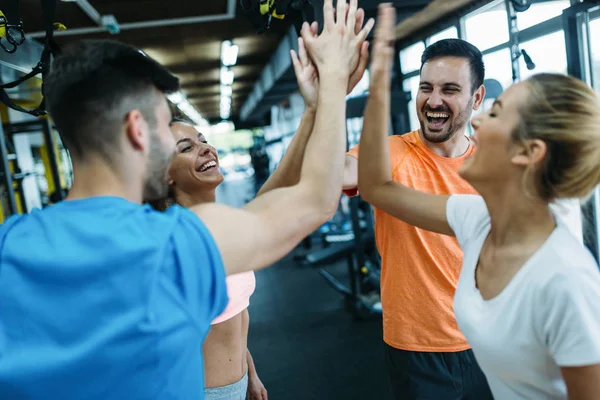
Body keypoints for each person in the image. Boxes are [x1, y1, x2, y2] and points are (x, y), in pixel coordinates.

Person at [0, 1, 374, 398]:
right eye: (166, 126)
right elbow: (314, 201)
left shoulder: (11, 242)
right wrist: (332, 82)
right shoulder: (173, 242)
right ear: (137, 131)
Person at [359, 4, 600, 399]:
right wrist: (377, 79)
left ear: (528, 153)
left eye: (496, 114)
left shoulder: (566, 280)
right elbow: (377, 188)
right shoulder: (477, 219)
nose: (476, 121)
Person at [150, 12, 372, 398]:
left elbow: (233, 312)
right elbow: (313, 200)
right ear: (164, 175)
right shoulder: (186, 237)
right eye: (186, 148)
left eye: (203, 139)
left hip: (234, 384)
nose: (205, 147)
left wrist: (248, 371)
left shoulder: (217, 224)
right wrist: (334, 86)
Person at [341, 20, 493, 400]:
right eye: (426, 87)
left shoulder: (495, 164)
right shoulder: (391, 152)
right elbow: (326, 176)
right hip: (419, 347)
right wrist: (329, 96)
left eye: (450, 89)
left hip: (493, 339)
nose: (434, 100)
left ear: (476, 99)